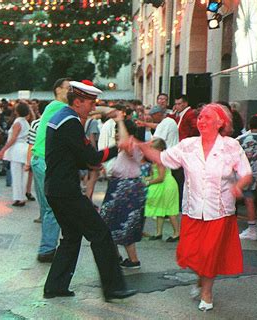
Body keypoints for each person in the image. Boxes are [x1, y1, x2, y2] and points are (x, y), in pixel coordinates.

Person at [136, 103, 252, 311]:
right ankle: (201, 278)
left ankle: (206, 291)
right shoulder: (188, 145)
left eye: (207, 117)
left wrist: (238, 186)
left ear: (220, 123)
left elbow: (246, 173)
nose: (201, 121)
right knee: (192, 254)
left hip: (219, 211)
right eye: (200, 117)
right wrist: (139, 145)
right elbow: (162, 158)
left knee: (210, 254)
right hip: (193, 209)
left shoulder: (231, 146)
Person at [43, 80, 136, 301]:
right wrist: (118, 148)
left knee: (72, 237)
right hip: (66, 191)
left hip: (55, 188)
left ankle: (55, 286)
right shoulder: (70, 122)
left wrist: (90, 163)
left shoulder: (61, 117)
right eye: (90, 102)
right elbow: (90, 156)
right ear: (77, 102)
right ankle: (114, 288)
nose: (93, 107)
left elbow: (71, 155)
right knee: (101, 234)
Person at [31, 77, 71, 263]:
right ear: (58, 90)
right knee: (53, 207)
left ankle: (47, 247)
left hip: (39, 160)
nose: (70, 91)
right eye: (68, 88)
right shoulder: (58, 107)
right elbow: (81, 112)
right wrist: (107, 110)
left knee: (49, 207)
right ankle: (47, 250)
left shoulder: (52, 107)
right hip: (44, 161)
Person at [100, 119, 146, 269]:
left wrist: (120, 120)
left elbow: (126, 145)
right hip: (119, 187)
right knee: (110, 222)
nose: (116, 133)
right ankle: (116, 256)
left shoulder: (133, 145)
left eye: (119, 130)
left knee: (124, 224)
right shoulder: (124, 147)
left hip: (127, 188)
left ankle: (133, 260)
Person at [143, 138, 180, 242]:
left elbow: (161, 177)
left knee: (170, 209)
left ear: (159, 149)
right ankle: (158, 232)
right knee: (160, 208)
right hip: (164, 185)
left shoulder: (160, 160)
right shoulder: (156, 159)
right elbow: (155, 175)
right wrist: (147, 178)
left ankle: (176, 233)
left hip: (168, 185)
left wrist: (148, 182)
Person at [0, 102, 31, 206]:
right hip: (25, 149)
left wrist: (3, 150)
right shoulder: (26, 122)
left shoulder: (17, 122)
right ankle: (23, 196)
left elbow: (13, 138)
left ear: (17, 111)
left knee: (16, 175)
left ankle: (18, 197)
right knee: (23, 175)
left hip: (17, 149)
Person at [238, 115, 257, 240]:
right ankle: (255, 227)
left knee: (249, 200)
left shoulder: (241, 140)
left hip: (248, 175)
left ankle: (253, 228)